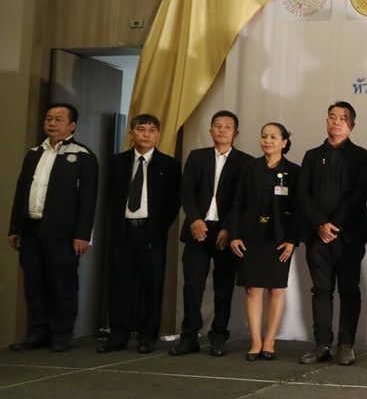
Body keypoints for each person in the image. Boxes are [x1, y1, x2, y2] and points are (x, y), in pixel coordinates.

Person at [8, 103, 98, 353]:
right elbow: (21, 193)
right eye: (49, 118)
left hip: (63, 233)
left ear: (72, 125)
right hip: (32, 229)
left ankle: (61, 333)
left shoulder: (83, 155)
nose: (52, 123)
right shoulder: (33, 153)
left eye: (59, 119)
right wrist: (15, 227)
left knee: (62, 283)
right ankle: (38, 332)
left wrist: (82, 235)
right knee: (34, 283)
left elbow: (88, 200)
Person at [296, 101, 367, 365]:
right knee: (320, 290)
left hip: (349, 236)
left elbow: (360, 193)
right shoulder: (311, 156)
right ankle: (321, 345)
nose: (336, 121)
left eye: (342, 118)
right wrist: (320, 223)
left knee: (349, 290)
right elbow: (303, 193)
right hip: (317, 236)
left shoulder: (362, 156)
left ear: (352, 125)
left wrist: (335, 224)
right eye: (332, 117)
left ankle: (346, 344)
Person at [171, 110, 253, 357]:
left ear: (236, 133)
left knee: (223, 288)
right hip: (198, 230)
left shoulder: (246, 162)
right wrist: (194, 219)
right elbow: (186, 191)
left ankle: (218, 337)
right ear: (210, 130)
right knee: (192, 286)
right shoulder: (197, 157)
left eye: (227, 127)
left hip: (226, 233)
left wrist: (230, 228)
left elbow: (242, 200)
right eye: (218, 125)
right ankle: (189, 337)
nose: (222, 130)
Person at [99, 114, 182, 353]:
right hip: (123, 230)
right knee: (120, 285)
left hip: (151, 232)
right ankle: (118, 335)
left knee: (151, 285)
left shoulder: (169, 165)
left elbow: (174, 201)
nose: (146, 134)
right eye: (141, 129)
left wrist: (159, 226)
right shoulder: (117, 162)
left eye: (152, 130)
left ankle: (147, 336)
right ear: (131, 133)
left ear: (158, 135)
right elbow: (109, 196)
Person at [229, 123, 299, 361]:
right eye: (264, 136)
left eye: (273, 137)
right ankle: (256, 342)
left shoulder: (294, 171)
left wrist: (292, 240)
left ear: (284, 142)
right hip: (251, 234)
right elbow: (237, 203)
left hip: (278, 238)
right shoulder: (249, 167)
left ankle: (270, 341)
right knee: (252, 288)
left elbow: (298, 210)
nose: (267, 141)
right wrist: (234, 234)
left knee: (276, 289)